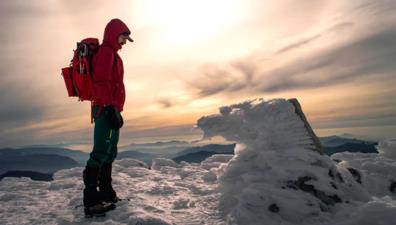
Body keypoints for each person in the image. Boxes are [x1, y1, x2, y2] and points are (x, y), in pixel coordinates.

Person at [83, 18, 133, 217]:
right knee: (101, 151)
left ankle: (106, 193)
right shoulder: (105, 52)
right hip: (105, 109)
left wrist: (116, 109)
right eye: (123, 37)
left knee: (110, 151)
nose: (124, 42)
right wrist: (110, 107)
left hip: (112, 108)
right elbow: (101, 82)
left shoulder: (113, 54)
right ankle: (91, 201)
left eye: (126, 39)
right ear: (114, 34)